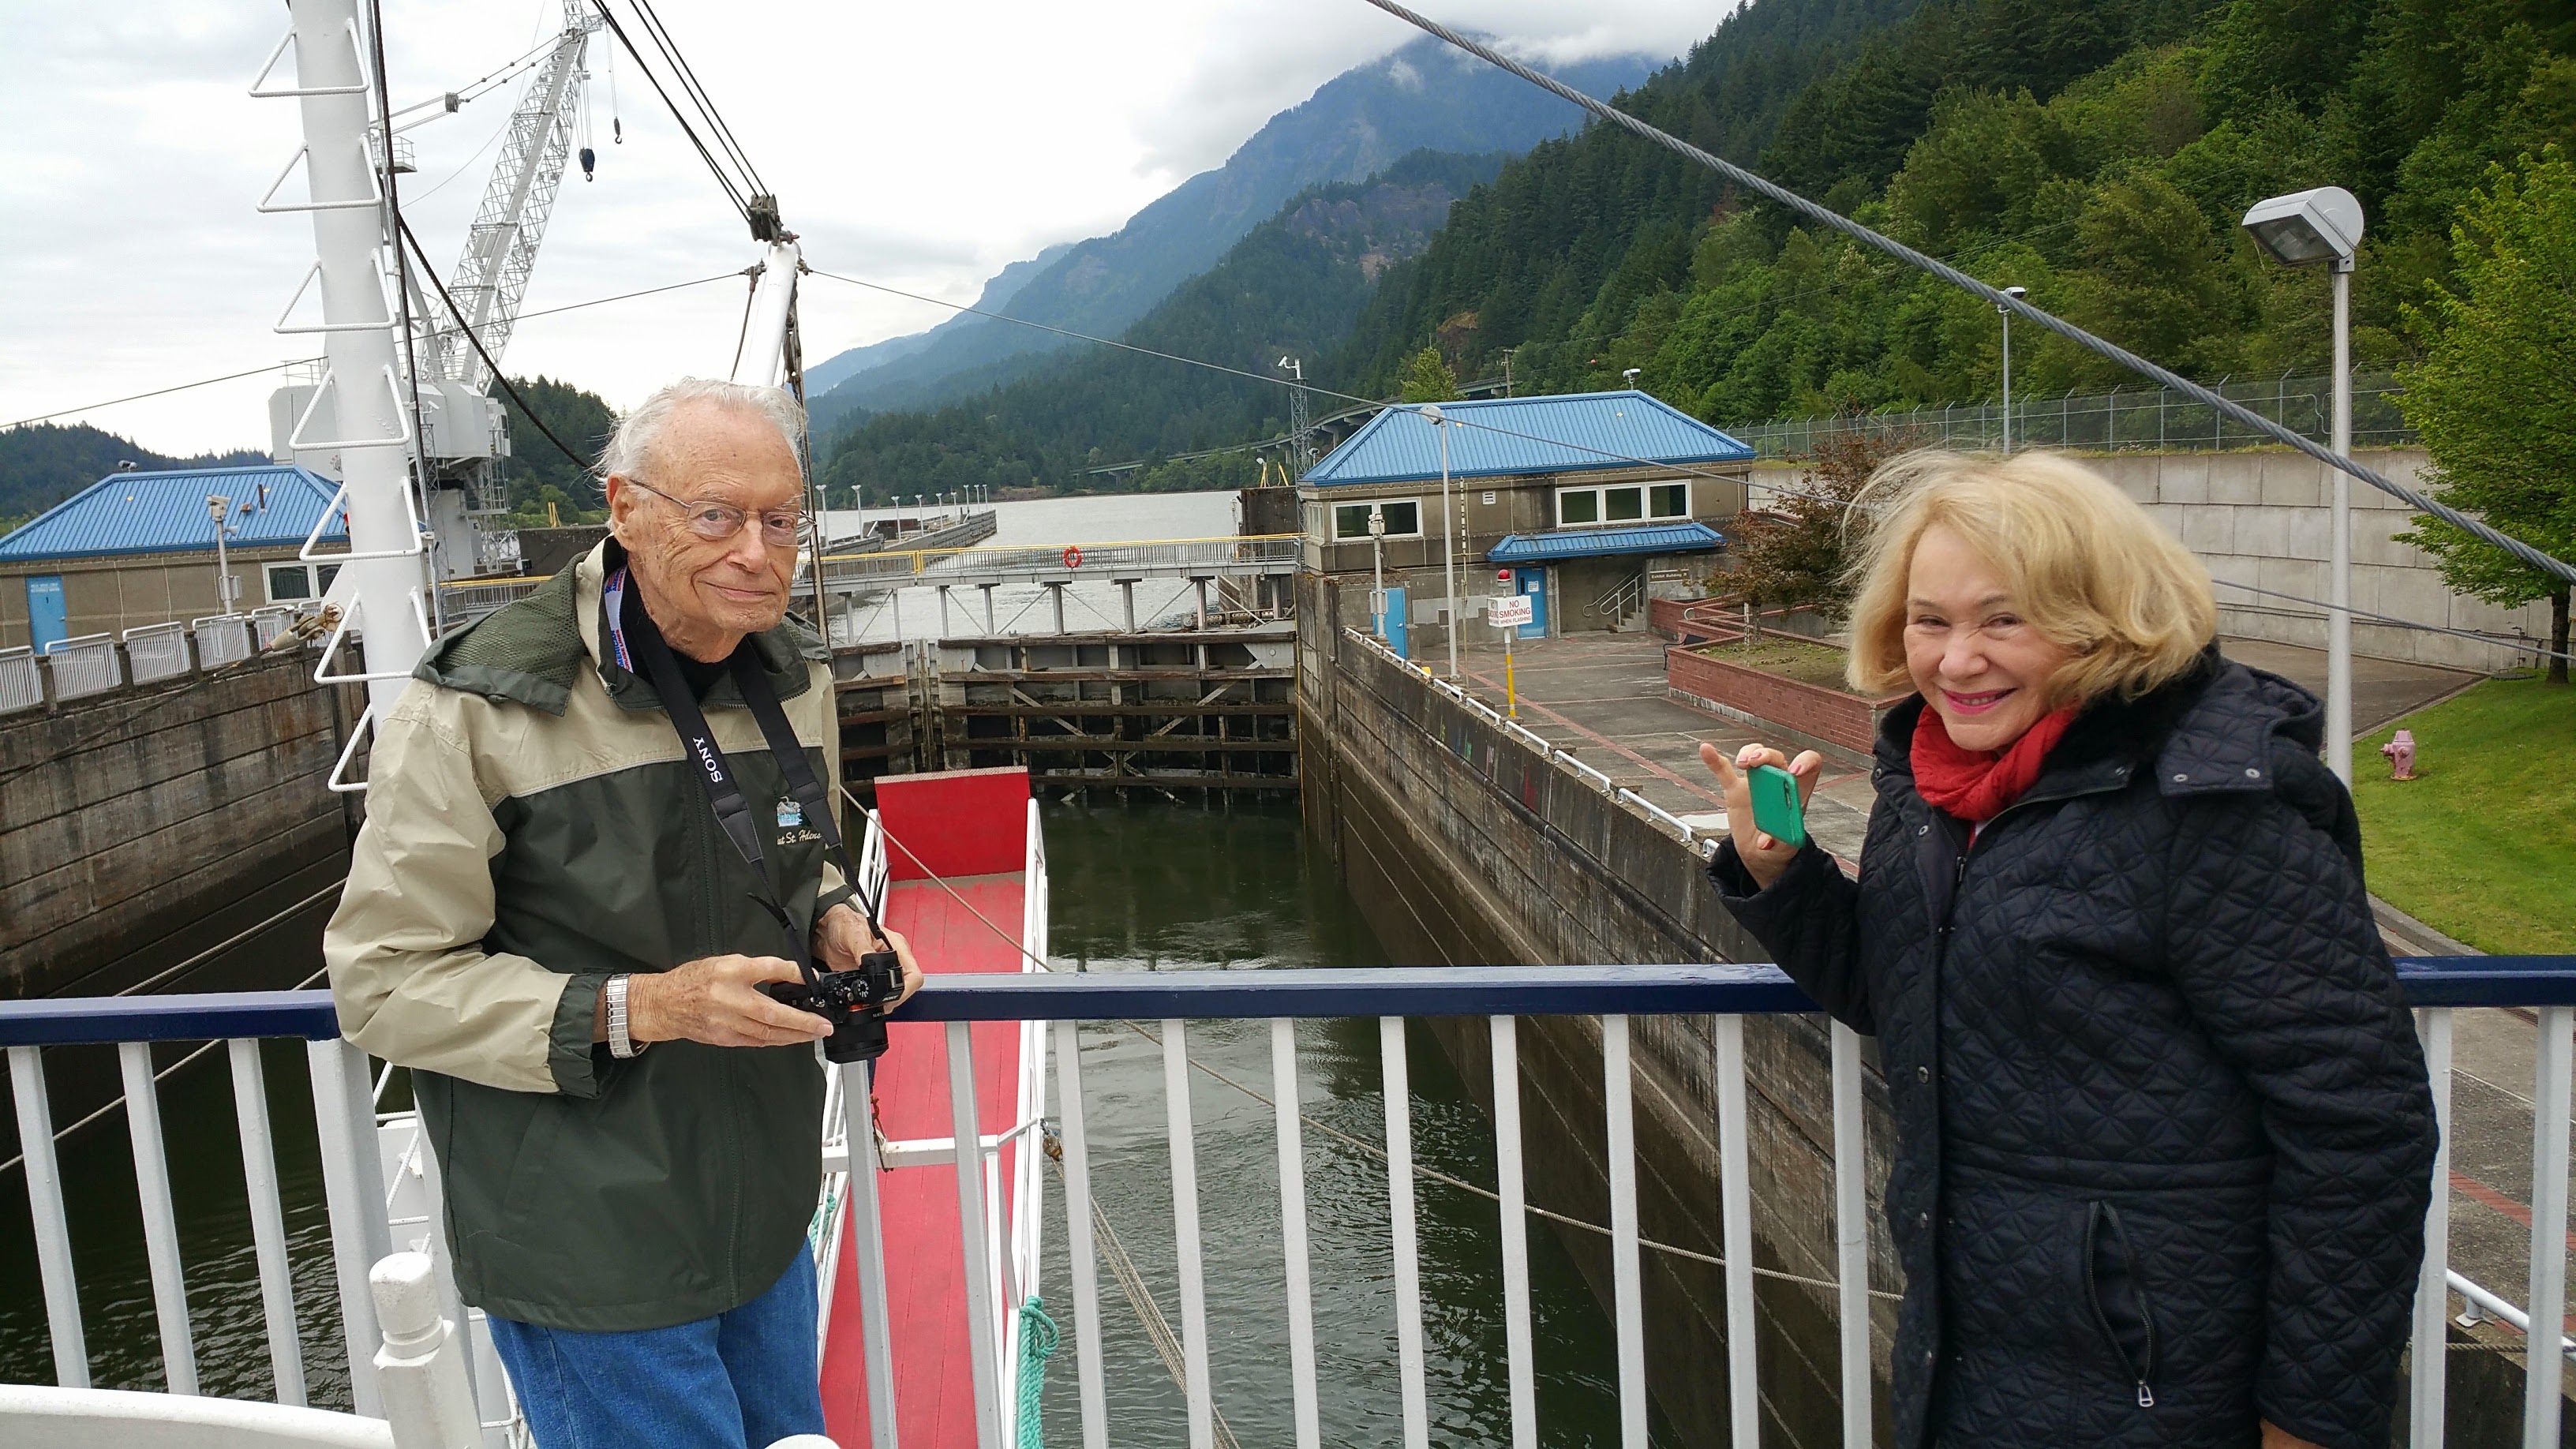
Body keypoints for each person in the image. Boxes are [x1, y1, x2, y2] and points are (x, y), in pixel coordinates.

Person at [1699, 450, 2435, 1449]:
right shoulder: (1930, 783)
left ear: (2105, 619)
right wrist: (1783, 874)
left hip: (2158, 1385)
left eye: (2005, 620)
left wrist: (2310, 1423)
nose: (1958, 661)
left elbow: (2360, 1126)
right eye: (1930, 620)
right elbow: (1903, 994)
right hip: (1969, 1351)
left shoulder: (2214, 807)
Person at [326, 376, 922, 1449]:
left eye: (780, 520)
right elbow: (383, 982)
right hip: (589, 1242)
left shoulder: (794, 677)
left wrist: (838, 916)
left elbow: (801, 860)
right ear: (626, 510)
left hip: (764, 1210)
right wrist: (644, 1008)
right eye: (717, 516)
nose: (757, 552)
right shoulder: (484, 701)